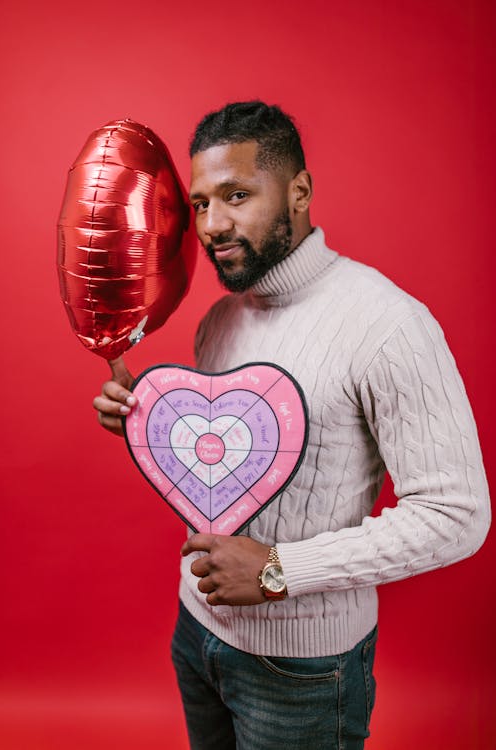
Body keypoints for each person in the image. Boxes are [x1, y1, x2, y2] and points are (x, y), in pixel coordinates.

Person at [93, 101, 490, 749]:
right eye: (198, 205)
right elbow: (226, 471)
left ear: (299, 191)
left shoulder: (388, 325)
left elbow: (457, 515)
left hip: (303, 671)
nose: (213, 224)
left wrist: (280, 569)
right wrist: (146, 419)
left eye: (237, 195)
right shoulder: (217, 323)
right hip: (196, 635)